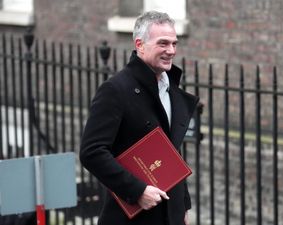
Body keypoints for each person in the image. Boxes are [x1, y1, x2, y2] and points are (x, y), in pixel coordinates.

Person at [80, 11, 199, 225]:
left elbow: (172, 153)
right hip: (130, 217)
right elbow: (92, 152)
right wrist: (137, 191)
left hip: (170, 214)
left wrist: (183, 206)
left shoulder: (170, 88)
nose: (171, 51)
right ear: (140, 44)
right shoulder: (115, 89)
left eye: (174, 44)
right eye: (163, 43)